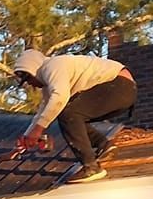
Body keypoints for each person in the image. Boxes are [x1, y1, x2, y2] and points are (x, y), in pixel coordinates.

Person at [10, 47, 137, 180]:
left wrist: (38, 129)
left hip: (119, 87)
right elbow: (44, 110)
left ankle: (91, 167)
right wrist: (24, 140)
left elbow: (60, 98)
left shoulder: (53, 66)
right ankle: (104, 144)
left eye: (29, 80)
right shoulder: (49, 82)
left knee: (67, 112)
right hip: (121, 91)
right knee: (73, 116)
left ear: (33, 70)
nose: (32, 85)